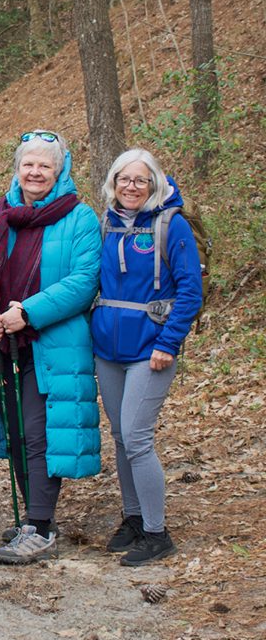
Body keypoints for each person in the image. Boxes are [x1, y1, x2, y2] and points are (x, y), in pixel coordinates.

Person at [0, 130, 102, 565]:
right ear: (17, 169)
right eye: (28, 164)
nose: (35, 172)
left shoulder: (81, 219)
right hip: (0, 345)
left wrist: (27, 313)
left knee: (38, 433)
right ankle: (34, 520)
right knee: (16, 433)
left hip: (50, 344)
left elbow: (83, 282)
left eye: (45, 166)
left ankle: (41, 525)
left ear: (60, 171)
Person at [92, 149, 202, 566]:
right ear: (113, 184)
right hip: (107, 349)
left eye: (140, 180)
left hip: (150, 348)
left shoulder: (171, 227)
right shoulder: (106, 223)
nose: (131, 187)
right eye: (124, 179)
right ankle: (134, 518)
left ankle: (157, 533)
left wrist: (168, 343)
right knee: (121, 437)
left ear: (154, 183)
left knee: (137, 437)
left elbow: (190, 291)